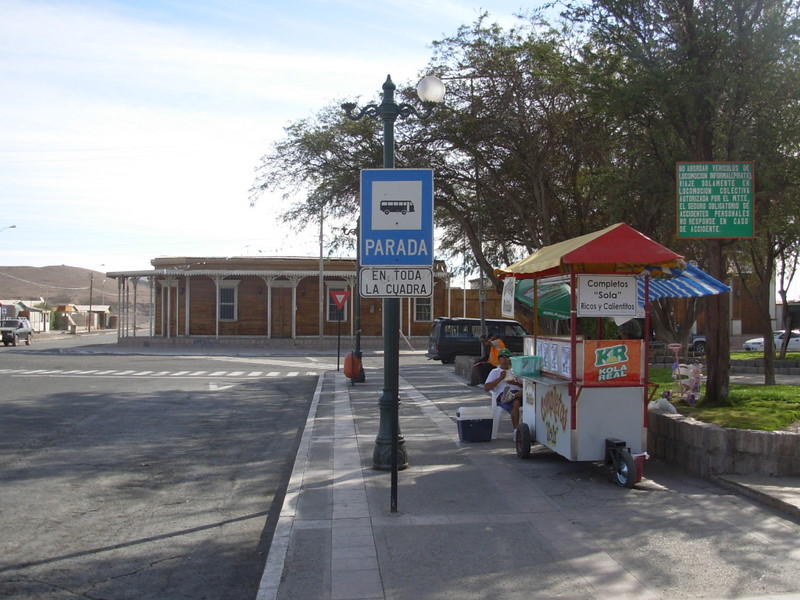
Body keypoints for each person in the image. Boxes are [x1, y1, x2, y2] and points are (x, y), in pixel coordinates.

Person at [483, 348, 522, 437]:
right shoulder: (495, 372)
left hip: (517, 393)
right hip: (502, 395)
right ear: (499, 359)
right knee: (515, 403)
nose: (504, 360)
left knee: (525, 393)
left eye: (507, 358)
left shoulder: (515, 371)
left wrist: (514, 382)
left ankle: (512, 395)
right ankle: (516, 430)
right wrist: (500, 378)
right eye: (502, 358)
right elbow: (486, 387)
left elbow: (524, 385)